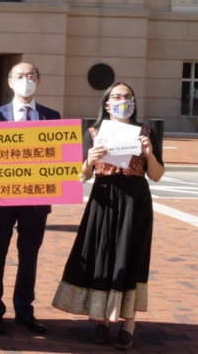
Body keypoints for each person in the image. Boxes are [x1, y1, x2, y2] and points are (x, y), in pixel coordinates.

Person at [52, 82, 163, 350]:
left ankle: (129, 323)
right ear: (106, 103)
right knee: (100, 255)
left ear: (134, 104)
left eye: (127, 96)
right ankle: (100, 320)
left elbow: (157, 175)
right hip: (103, 199)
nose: (122, 100)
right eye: (116, 96)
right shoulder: (93, 132)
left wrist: (148, 154)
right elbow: (83, 175)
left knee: (130, 257)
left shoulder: (145, 132)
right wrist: (89, 160)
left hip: (135, 201)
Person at [0, 63, 58, 335]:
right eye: (20, 76)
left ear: (39, 81)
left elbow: (58, 156)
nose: (25, 80)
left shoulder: (52, 116)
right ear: (10, 82)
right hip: (0, 198)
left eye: (30, 76)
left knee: (29, 257)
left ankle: (24, 310)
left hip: (36, 200)